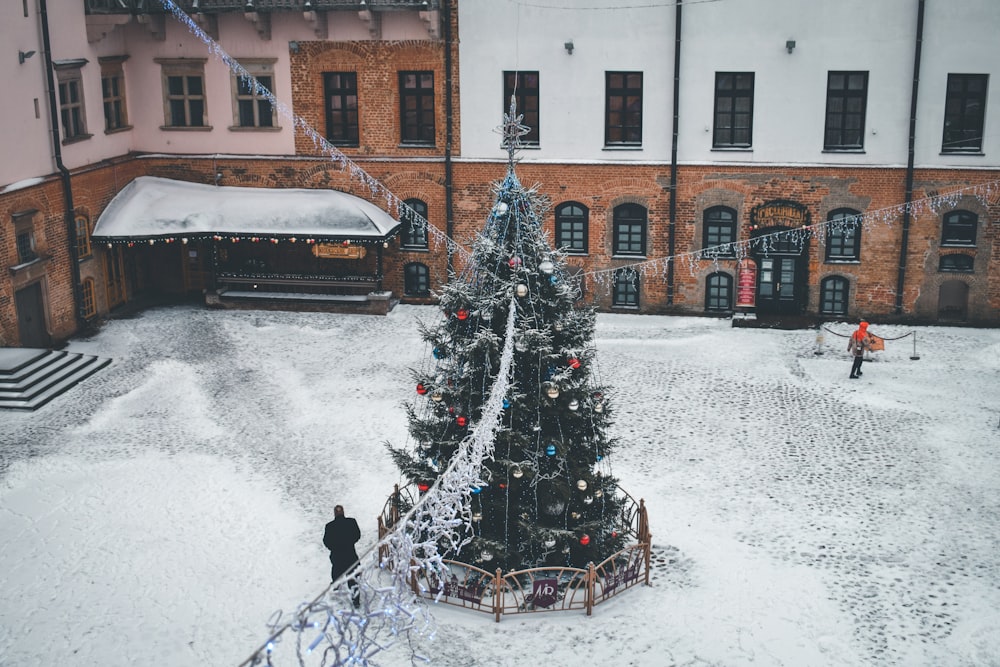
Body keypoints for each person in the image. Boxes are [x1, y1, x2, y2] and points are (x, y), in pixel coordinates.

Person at [323, 505, 361, 608]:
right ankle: (356, 600)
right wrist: (350, 542)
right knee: (353, 577)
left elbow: (326, 541)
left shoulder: (329, 526)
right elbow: (357, 535)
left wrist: (334, 547)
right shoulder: (351, 522)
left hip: (337, 556)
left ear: (334, 513)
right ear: (343, 512)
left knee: (336, 576)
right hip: (350, 554)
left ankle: (336, 594)